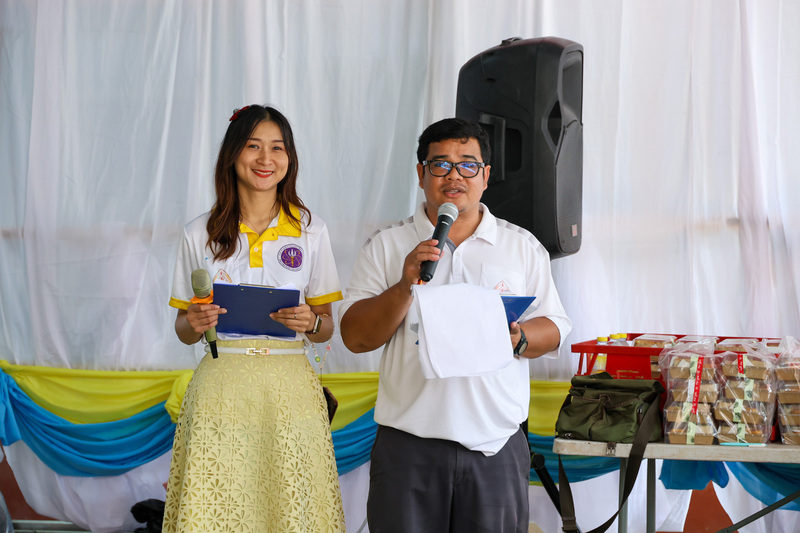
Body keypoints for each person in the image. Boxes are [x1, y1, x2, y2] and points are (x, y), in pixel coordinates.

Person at [339, 118, 572, 533]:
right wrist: (404, 284)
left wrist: (518, 339)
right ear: (420, 174)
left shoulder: (521, 246)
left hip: (496, 445)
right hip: (408, 444)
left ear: (485, 176)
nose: (453, 175)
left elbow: (554, 327)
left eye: (467, 164)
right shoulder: (387, 244)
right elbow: (356, 337)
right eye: (440, 165)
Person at [162, 105, 346, 532]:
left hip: (290, 387)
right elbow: (184, 332)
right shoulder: (198, 232)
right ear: (232, 154)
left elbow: (326, 328)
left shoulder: (310, 229)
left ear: (289, 158)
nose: (266, 159)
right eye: (253, 146)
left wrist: (310, 323)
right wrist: (197, 320)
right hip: (221, 386)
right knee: (219, 509)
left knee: (291, 510)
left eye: (277, 148)